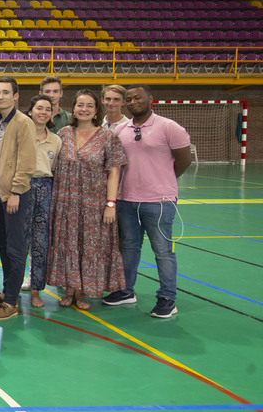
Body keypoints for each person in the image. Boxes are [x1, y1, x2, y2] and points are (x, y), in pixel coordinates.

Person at [104, 84, 192, 318]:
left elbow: (183, 161)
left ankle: (167, 298)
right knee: (129, 248)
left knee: (163, 252)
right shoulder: (121, 129)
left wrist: (161, 182)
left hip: (159, 202)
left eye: (138, 98)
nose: (133, 102)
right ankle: (125, 290)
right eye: (129, 99)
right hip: (126, 201)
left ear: (150, 99)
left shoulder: (168, 127)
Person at [47, 89, 127, 310]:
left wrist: (111, 204)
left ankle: (82, 292)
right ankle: (69, 288)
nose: (84, 109)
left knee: (88, 246)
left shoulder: (107, 137)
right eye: (80, 105)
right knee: (67, 244)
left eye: (89, 105)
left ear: (96, 110)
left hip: (93, 204)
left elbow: (113, 172)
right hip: (64, 202)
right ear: (73, 109)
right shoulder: (62, 133)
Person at [0, 76, 36, 321]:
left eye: (5, 92)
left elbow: (26, 162)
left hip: (13, 194)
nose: (0, 96)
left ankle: (11, 301)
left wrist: (15, 192)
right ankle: (6, 291)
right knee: (1, 244)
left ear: (16, 96)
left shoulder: (23, 122)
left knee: (15, 248)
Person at [22, 95, 61, 308]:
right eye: (39, 108)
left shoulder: (56, 140)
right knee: (19, 241)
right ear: (30, 111)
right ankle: (13, 285)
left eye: (48, 109)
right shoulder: (21, 135)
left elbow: (54, 168)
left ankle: (36, 289)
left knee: (40, 241)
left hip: (45, 189)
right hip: (22, 187)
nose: (43, 112)